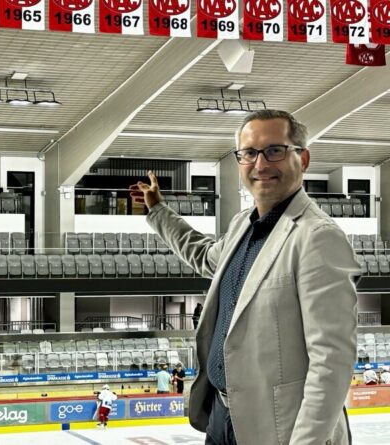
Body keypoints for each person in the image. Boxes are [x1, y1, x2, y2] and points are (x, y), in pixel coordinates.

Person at [131, 109, 359, 445]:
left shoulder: (318, 237)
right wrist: (158, 211)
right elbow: (203, 255)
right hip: (223, 417)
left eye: (275, 151)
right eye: (249, 153)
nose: (261, 164)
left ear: (304, 159)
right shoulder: (243, 224)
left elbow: (332, 361)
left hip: (279, 428)